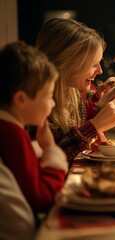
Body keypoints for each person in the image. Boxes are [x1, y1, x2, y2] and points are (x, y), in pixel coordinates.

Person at [35, 18, 115, 163]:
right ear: (67, 63)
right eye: (92, 64)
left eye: (99, 63)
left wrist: (101, 107)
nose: (100, 71)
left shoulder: (76, 93)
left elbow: (84, 139)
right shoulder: (34, 106)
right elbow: (47, 161)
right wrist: (94, 126)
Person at [0, 42, 68, 222]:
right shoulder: (12, 135)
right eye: (48, 96)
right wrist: (50, 148)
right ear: (21, 99)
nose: (53, 104)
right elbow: (42, 198)